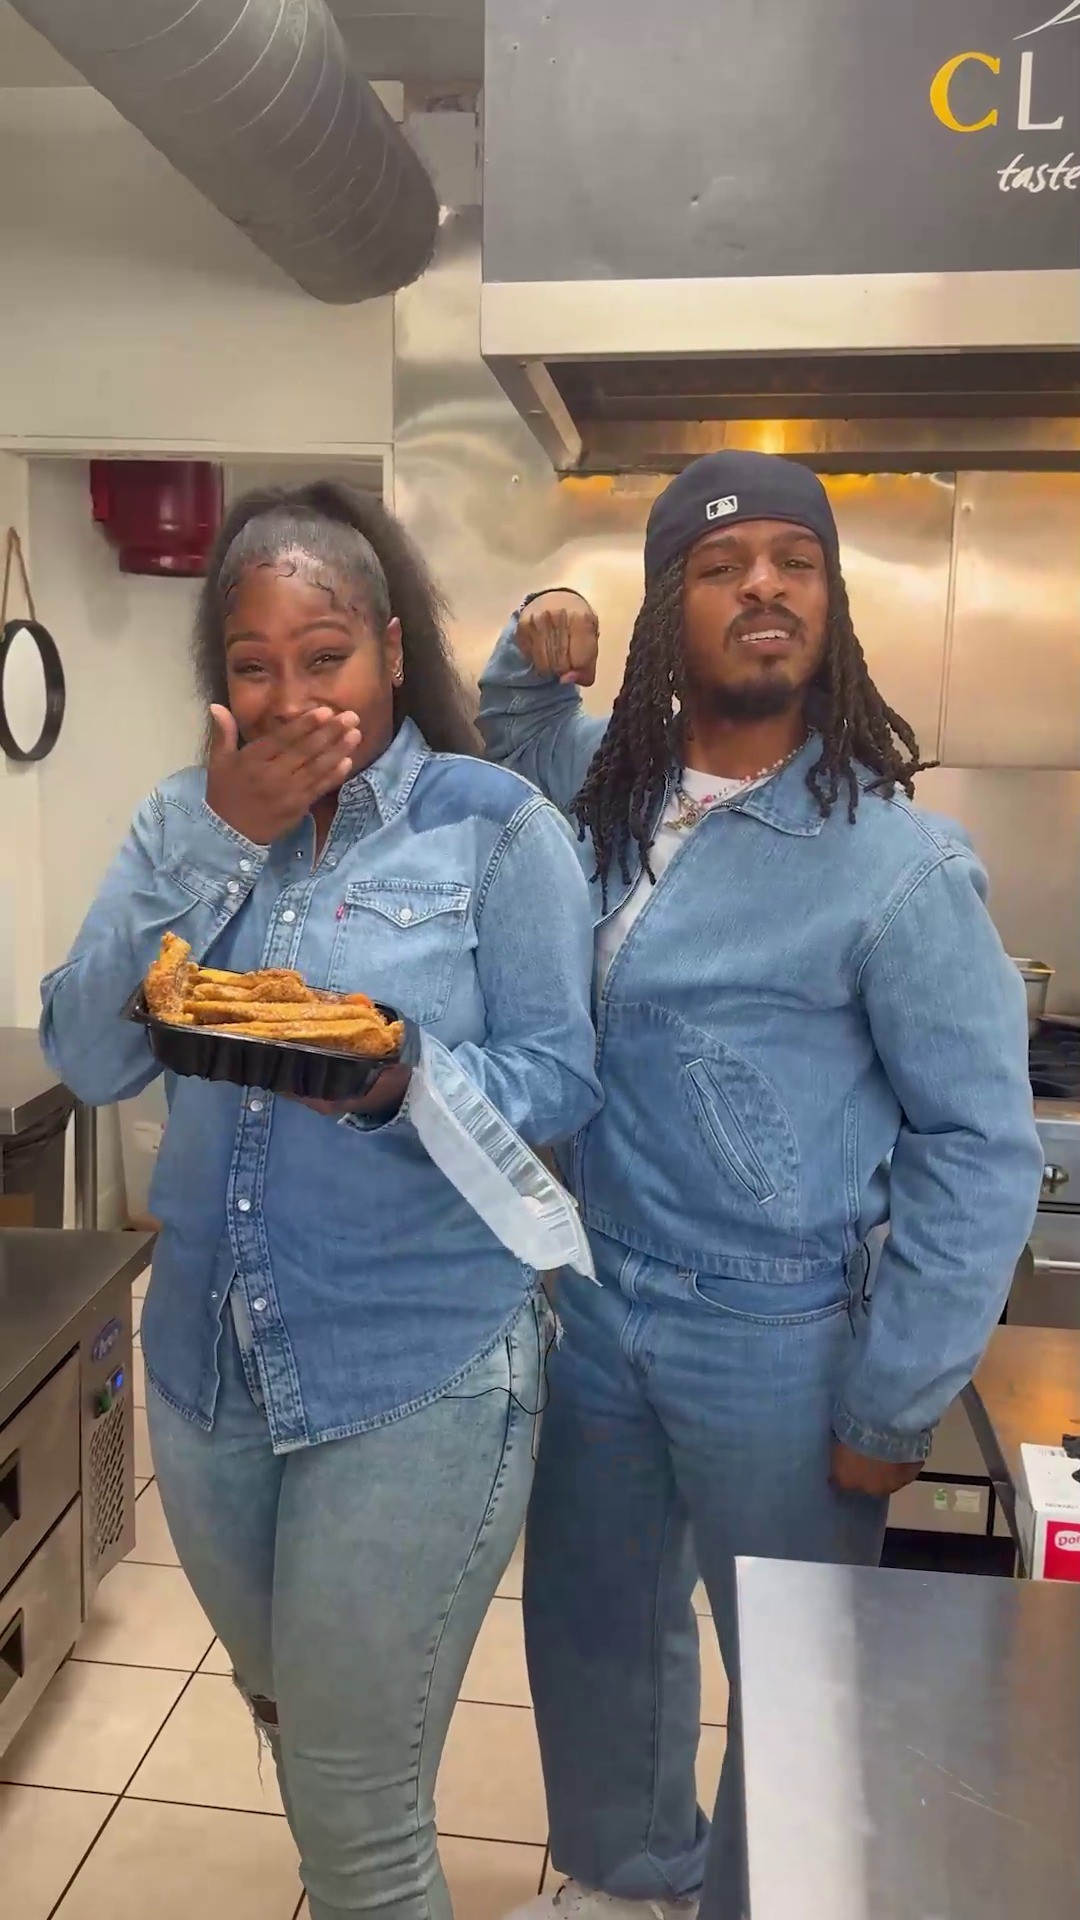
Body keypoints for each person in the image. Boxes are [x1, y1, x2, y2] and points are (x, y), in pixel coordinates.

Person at [477, 451, 1043, 1920]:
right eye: (724, 567)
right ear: (672, 604)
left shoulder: (896, 866)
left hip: (781, 1337)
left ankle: (759, 1901)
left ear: (832, 604)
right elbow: (510, 725)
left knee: (796, 1676)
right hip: (595, 1297)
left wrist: (893, 1398)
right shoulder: (608, 792)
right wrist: (536, 622)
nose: (765, 588)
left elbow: (982, 1145)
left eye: (796, 562)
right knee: (595, 1626)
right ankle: (628, 1881)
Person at [41, 482, 602, 1920]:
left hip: (413, 1371)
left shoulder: (497, 830)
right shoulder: (182, 824)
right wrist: (219, 838)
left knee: (358, 1826)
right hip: (207, 1375)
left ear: (394, 651)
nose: (292, 697)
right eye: (254, 664)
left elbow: (558, 1081)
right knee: (293, 1723)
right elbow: (90, 1054)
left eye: (327, 655)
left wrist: (403, 1074)